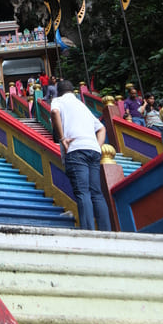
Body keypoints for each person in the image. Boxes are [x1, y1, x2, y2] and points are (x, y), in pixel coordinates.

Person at [51, 79, 111, 231]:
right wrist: (98, 146)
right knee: (96, 192)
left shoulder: (58, 100)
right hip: (93, 150)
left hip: (76, 149)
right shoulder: (82, 106)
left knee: (83, 192)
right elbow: (102, 128)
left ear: (59, 91)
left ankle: (88, 232)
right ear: (73, 91)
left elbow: (54, 112)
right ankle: (106, 232)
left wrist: (62, 137)